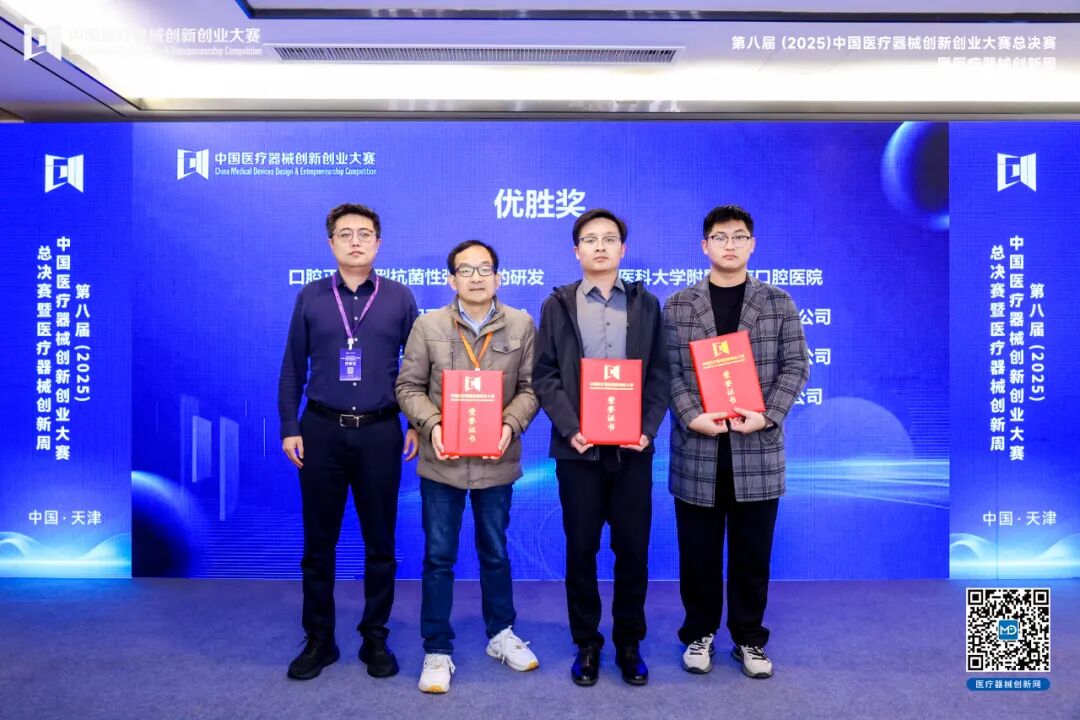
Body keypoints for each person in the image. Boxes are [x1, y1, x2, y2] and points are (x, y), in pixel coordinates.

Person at [663, 204, 809, 679]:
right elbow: (668, 371)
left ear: (753, 244)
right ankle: (699, 633)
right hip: (698, 449)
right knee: (698, 554)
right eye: (721, 237)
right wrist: (691, 416)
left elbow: (796, 366)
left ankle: (749, 637)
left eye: (739, 236)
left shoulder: (778, 302)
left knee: (752, 554)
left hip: (757, 448)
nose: (730, 245)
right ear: (704, 245)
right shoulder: (679, 305)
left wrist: (766, 416)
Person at [278, 202, 419, 681]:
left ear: (378, 243)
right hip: (320, 431)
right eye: (345, 233)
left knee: (381, 542)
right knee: (319, 543)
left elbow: (417, 369)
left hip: (381, 432)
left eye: (364, 233)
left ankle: (374, 636)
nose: (355, 241)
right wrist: (290, 426)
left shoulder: (400, 297)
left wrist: (416, 423)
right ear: (331, 243)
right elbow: (292, 368)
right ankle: (320, 639)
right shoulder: (311, 296)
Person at [532, 209, 670, 687]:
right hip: (578, 451)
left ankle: (629, 642)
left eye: (609, 239)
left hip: (633, 450)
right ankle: (587, 643)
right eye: (590, 239)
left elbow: (660, 374)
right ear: (576, 251)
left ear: (622, 249)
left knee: (632, 550)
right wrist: (571, 428)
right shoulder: (557, 305)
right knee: (581, 549)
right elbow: (544, 375)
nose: (600, 246)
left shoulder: (647, 305)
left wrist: (647, 429)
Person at [396, 239, 540, 694]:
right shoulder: (428, 325)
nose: (476, 277)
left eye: (484, 269)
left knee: (494, 551)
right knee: (439, 557)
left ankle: (502, 634)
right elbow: (408, 386)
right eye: (466, 269)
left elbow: (532, 388)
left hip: (497, 460)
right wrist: (433, 424)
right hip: (443, 463)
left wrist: (510, 424)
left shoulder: (521, 324)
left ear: (498, 277)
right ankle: (437, 648)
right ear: (451, 279)